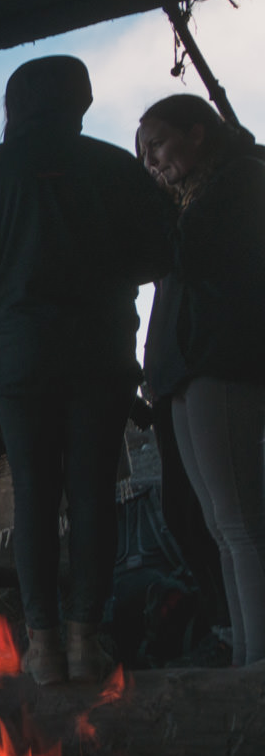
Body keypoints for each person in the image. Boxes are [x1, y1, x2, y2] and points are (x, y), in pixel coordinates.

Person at [0, 56, 176, 685]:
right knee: (92, 495)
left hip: (19, 355)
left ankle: (42, 648)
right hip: (98, 351)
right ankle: (86, 639)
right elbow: (157, 253)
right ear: (80, 100)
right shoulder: (112, 165)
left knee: (33, 497)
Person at [138, 93, 265, 666]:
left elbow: (193, 261)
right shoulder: (193, 199)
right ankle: (244, 649)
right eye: (143, 155)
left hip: (224, 364)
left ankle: (256, 662)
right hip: (187, 373)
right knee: (219, 524)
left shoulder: (241, 182)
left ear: (197, 133)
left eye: (158, 145)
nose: (152, 163)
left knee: (238, 521)